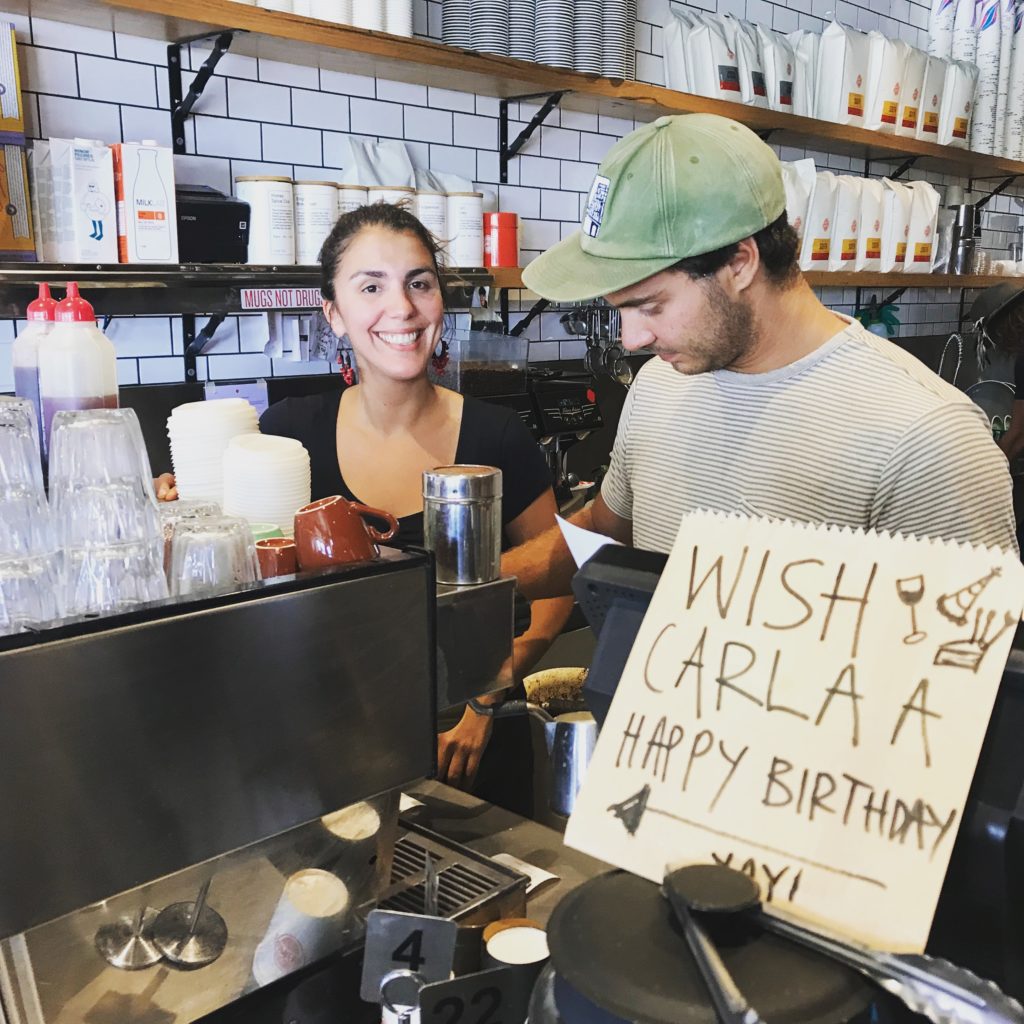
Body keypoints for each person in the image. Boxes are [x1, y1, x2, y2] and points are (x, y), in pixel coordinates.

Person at [502, 113, 1019, 601]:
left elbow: (974, 674)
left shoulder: (929, 439)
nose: (631, 338)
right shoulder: (661, 384)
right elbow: (608, 532)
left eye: (649, 305)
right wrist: (469, 589)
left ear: (740, 263)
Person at [157, 203, 573, 809]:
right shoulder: (284, 437)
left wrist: (485, 703)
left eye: (419, 283)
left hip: (467, 749)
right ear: (334, 313)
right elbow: (238, 580)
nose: (401, 308)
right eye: (371, 286)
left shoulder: (498, 435)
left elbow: (557, 588)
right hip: (321, 746)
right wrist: (182, 508)